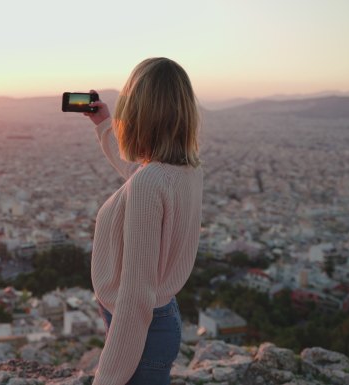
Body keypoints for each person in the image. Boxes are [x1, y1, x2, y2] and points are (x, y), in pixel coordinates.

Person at [83, 57, 203, 385]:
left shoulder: (151, 182)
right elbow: (140, 173)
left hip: (142, 331)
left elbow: (136, 296)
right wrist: (105, 125)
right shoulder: (187, 171)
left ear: (138, 114)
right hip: (158, 321)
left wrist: (106, 378)